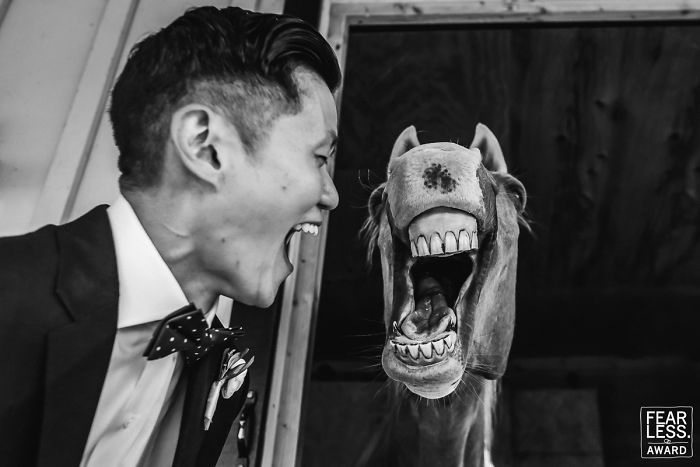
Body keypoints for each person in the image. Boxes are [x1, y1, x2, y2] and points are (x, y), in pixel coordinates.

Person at [0, 6, 340, 467]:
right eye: (319, 158)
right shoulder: (10, 295)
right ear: (205, 146)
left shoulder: (218, 372)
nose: (331, 196)